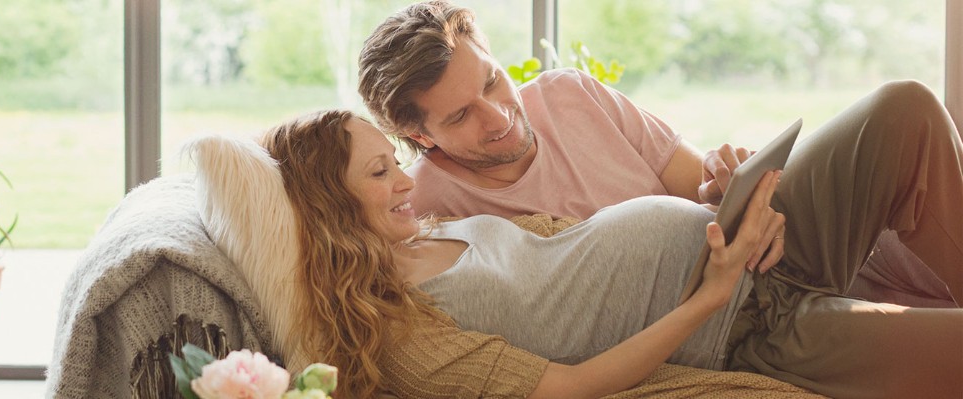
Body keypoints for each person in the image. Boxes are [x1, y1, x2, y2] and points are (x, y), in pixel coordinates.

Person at [258, 110, 963, 398]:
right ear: (328, 208)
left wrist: (734, 206)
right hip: (745, 324)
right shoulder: (402, 331)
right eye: (379, 174)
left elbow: (582, 242)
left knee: (904, 109)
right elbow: (569, 386)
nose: (406, 180)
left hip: (753, 244)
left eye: (395, 162)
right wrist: (709, 295)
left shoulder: (444, 230)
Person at [355, 1, 960, 308]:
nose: (498, 116)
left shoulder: (570, 93)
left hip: (762, 243)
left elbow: (698, 185)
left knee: (905, 111)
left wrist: (726, 182)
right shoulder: (427, 204)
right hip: (716, 309)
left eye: (491, 82)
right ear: (423, 137)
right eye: (460, 115)